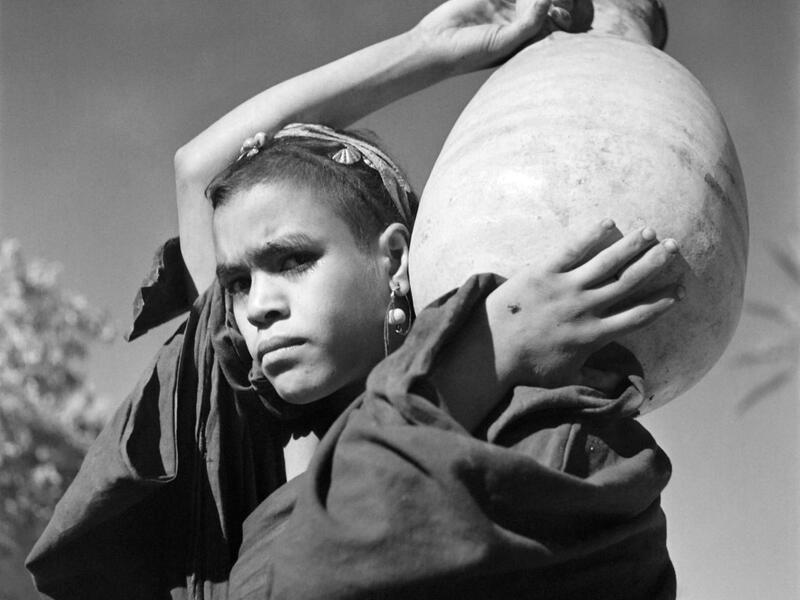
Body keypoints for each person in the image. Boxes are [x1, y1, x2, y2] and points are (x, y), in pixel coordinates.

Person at [27, 1, 679, 598]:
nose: (258, 307)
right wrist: (433, 47)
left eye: (293, 260)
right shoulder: (247, 429)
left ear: (394, 260)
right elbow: (201, 170)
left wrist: (482, 362)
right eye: (238, 283)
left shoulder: (519, 441)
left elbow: (331, 564)